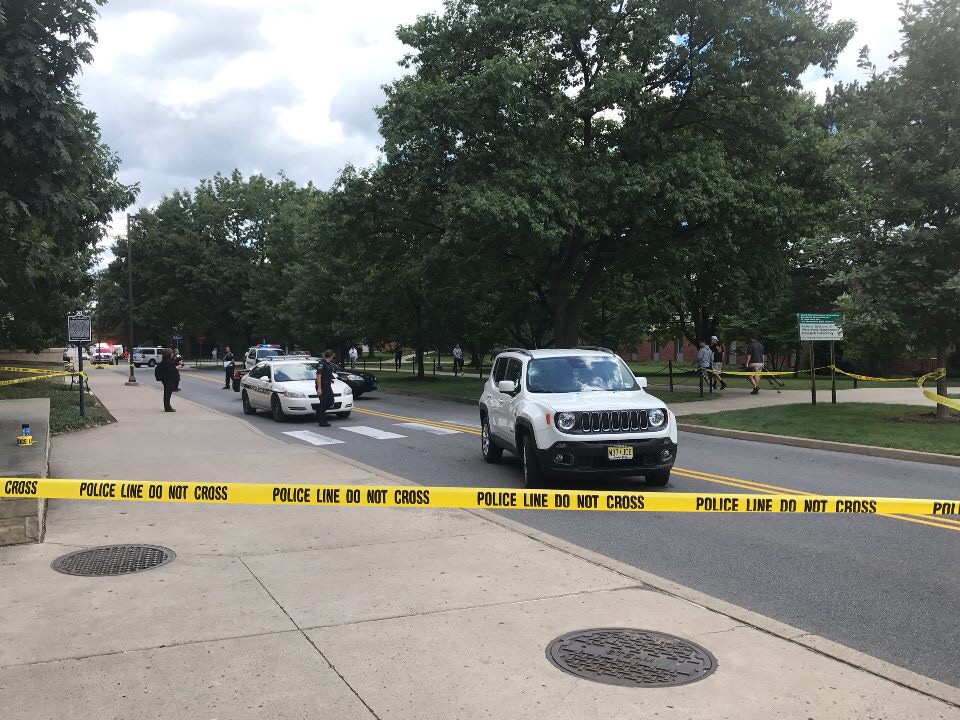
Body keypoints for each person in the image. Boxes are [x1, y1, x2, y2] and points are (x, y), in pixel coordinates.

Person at [315, 350, 336, 427]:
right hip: (322, 386)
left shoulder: (328, 364)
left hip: (327, 386)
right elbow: (318, 376)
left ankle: (319, 411)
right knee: (323, 403)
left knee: (331, 401)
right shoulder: (321, 364)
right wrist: (319, 388)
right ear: (330, 356)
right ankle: (322, 421)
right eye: (332, 356)